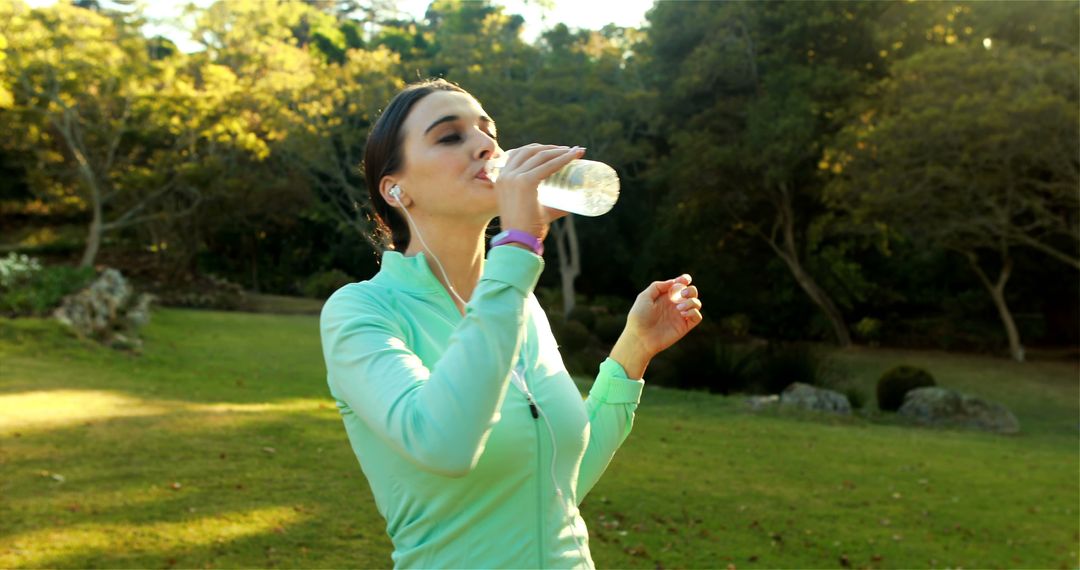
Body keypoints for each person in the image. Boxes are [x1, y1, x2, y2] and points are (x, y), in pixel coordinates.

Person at [319, 78, 703, 569]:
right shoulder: (362, 312)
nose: (486, 145)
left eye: (488, 130)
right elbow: (445, 444)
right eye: (450, 136)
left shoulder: (517, 303)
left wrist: (635, 348)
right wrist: (520, 244)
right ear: (396, 189)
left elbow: (555, 482)